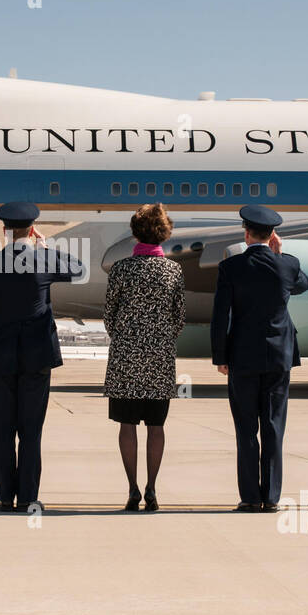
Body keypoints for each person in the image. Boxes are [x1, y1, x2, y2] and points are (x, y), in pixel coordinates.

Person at [0, 201, 84, 512]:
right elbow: (78, 269)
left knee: (2, 430)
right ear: (32, 230)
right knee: (31, 431)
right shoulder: (45, 259)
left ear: (4, 230)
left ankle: (4, 497)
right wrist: (46, 248)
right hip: (37, 357)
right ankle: (29, 497)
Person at [211, 205, 308, 513]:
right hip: (278, 358)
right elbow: (303, 285)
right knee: (273, 427)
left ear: (246, 233)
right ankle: (272, 498)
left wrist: (220, 357)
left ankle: (250, 497)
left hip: (242, 357)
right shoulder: (287, 265)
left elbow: (220, 317)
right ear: (272, 236)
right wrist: (279, 254)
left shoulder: (231, 268)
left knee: (245, 429)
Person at [103, 203, 186, 511]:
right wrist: (159, 340)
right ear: (164, 234)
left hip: (126, 357)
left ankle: (133, 489)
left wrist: (127, 339)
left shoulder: (121, 269)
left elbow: (109, 315)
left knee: (126, 425)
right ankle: (152, 488)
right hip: (159, 358)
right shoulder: (174, 270)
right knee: (156, 426)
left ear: (136, 232)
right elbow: (179, 318)